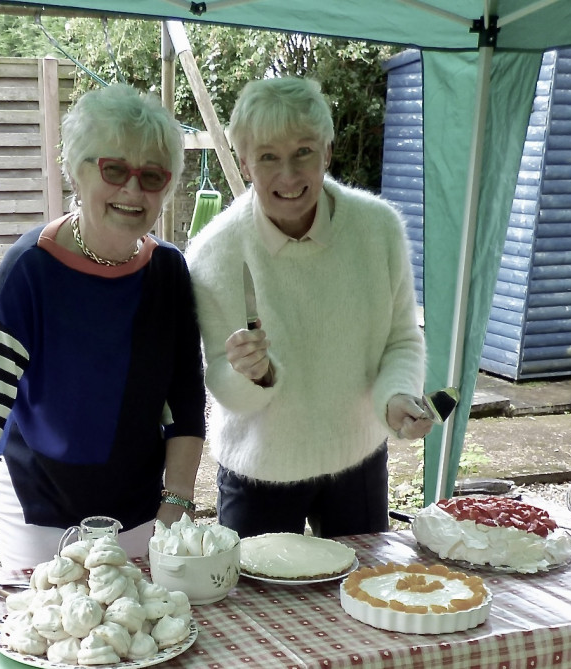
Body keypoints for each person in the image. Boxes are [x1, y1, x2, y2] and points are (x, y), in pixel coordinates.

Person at [0, 83, 206, 594]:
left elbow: (185, 402)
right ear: (78, 170)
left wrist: (178, 504)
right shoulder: (30, 267)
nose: (132, 191)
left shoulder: (169, 272)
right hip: (40, 506)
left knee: (138, 631)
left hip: (142, 509)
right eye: (114, 170)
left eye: (151, 176)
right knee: (55, 634)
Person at [184, 76, 432, 539]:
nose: (289, 176)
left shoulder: (378, 229)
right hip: (259, 468)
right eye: (268, 157)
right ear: (245, 163)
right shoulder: (211, 254)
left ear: (328, 152)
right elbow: (219, 381)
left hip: (357, 455)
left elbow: (401, 338)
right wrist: (254, 375)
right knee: (256, 610)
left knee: (363, 600)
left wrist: (398, 397)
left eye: (303, 152)